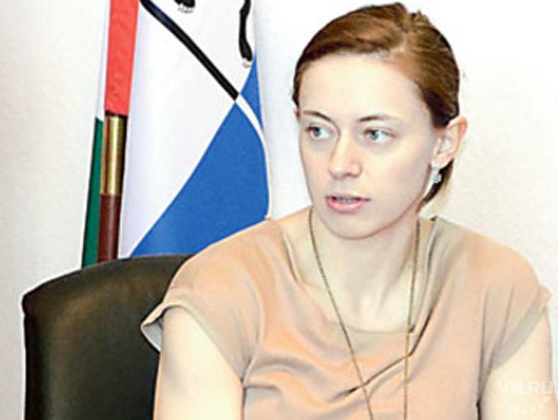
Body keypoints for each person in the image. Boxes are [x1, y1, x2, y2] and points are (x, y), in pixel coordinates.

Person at [140, 3, 556, 419]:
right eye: (318, 130)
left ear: (444, 144)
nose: (340, 164)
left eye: (375, 134)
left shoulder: (498, 287)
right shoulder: (221, 291)